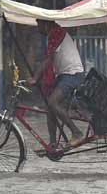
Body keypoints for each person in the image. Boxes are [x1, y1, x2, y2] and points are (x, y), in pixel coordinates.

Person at [26, 19, 85, 148]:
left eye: (39, 24)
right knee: (49, 106)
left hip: (72, 75)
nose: (38, 28)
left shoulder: (56, 32)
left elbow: (48, 59)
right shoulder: (53, 34)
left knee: (52, 102)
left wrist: (35, 78)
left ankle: (77, 133)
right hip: (64, 75)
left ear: (46, 24)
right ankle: (53, 144)